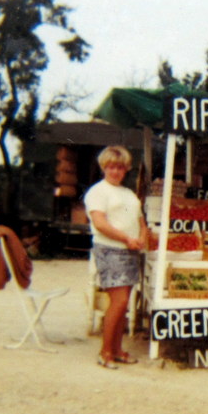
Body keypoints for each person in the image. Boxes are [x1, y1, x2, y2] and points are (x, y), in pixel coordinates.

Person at [84, 146, 147, 369]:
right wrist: (126, 239)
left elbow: (140, 222)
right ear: (104, 167)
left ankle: (118, 349)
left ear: (126, 169)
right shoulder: (98, 192)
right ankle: (105, 352)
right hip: (110, 250)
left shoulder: (128, 193)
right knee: (118, 302)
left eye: (120, 167)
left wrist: (140, 238)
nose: (115, 171)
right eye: (111, 167)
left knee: (124, 305)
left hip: (130, 251)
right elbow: (100, 224)